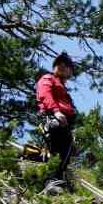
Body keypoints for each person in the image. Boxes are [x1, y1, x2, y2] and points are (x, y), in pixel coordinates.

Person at [35, 53, 78, 192]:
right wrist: (56, 111)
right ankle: (52, 180)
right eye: (60, 64)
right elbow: (45, 95)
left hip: (64, 123)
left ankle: (57, 181)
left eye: (68, 67)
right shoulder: (48, 79)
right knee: (60, 143)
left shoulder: (63, 88)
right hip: (53, 118)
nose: (63, 66)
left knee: (67, 149)